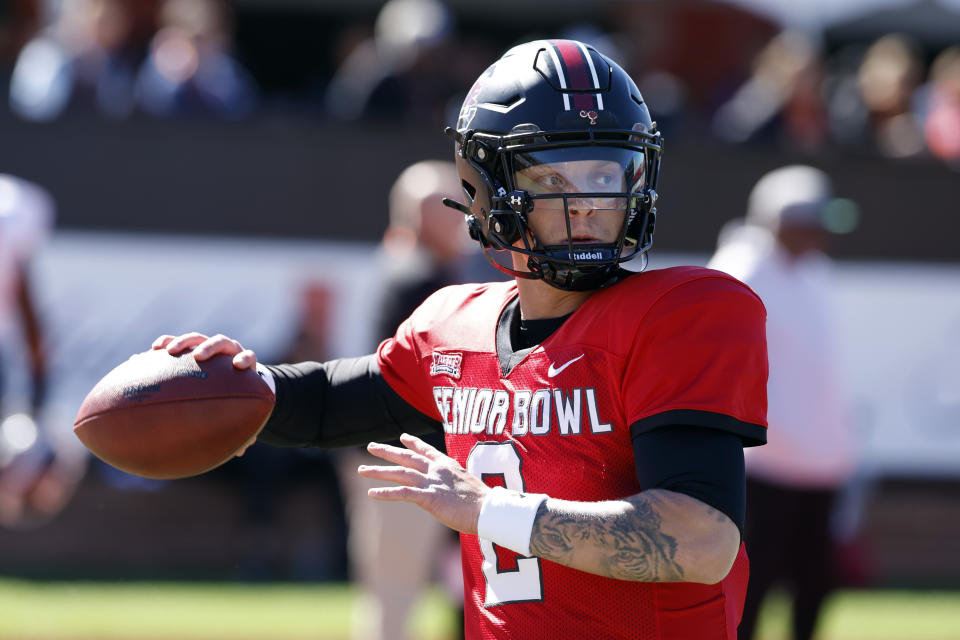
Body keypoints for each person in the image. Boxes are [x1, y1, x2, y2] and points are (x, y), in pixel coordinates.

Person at [154, 40, 768, 639]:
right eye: (553, 178)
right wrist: (230, 384)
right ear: (485, 188)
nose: (587, 204)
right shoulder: (453, 326)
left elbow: (700, 540)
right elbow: (333, 403)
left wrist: (488, 513)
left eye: (606, 172)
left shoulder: (682, 313)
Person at [707, 165, 856, 640]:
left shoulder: (814, 272)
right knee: (755, 582)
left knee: (816, 583)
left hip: (819, 464)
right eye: (811, 225)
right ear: (781, 221)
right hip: (764, 465)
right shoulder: (741, 270)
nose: (821, 237)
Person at [337, 160, 468, 640]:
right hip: (402, 458)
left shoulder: (400, 267)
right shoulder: (418, 278)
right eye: (446, 208)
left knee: (395, 594)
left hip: (397, 455)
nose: (461, 217)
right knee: (394, 596)